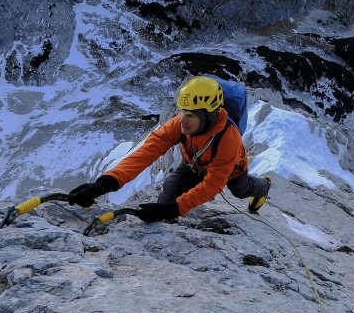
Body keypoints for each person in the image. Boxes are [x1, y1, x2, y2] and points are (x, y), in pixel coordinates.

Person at [68, 76, 271, 221]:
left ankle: (264, 186)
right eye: (183, 111)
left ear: (209, 115)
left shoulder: (229, 139)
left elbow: (212, 186)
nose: (182, 119)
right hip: (192, 166)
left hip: (231, 171)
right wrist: (105, 183)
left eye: (191, 114)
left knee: (240, 190)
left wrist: (174, 209)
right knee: (166, 198)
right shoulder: (180, 124)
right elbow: (147, 153)